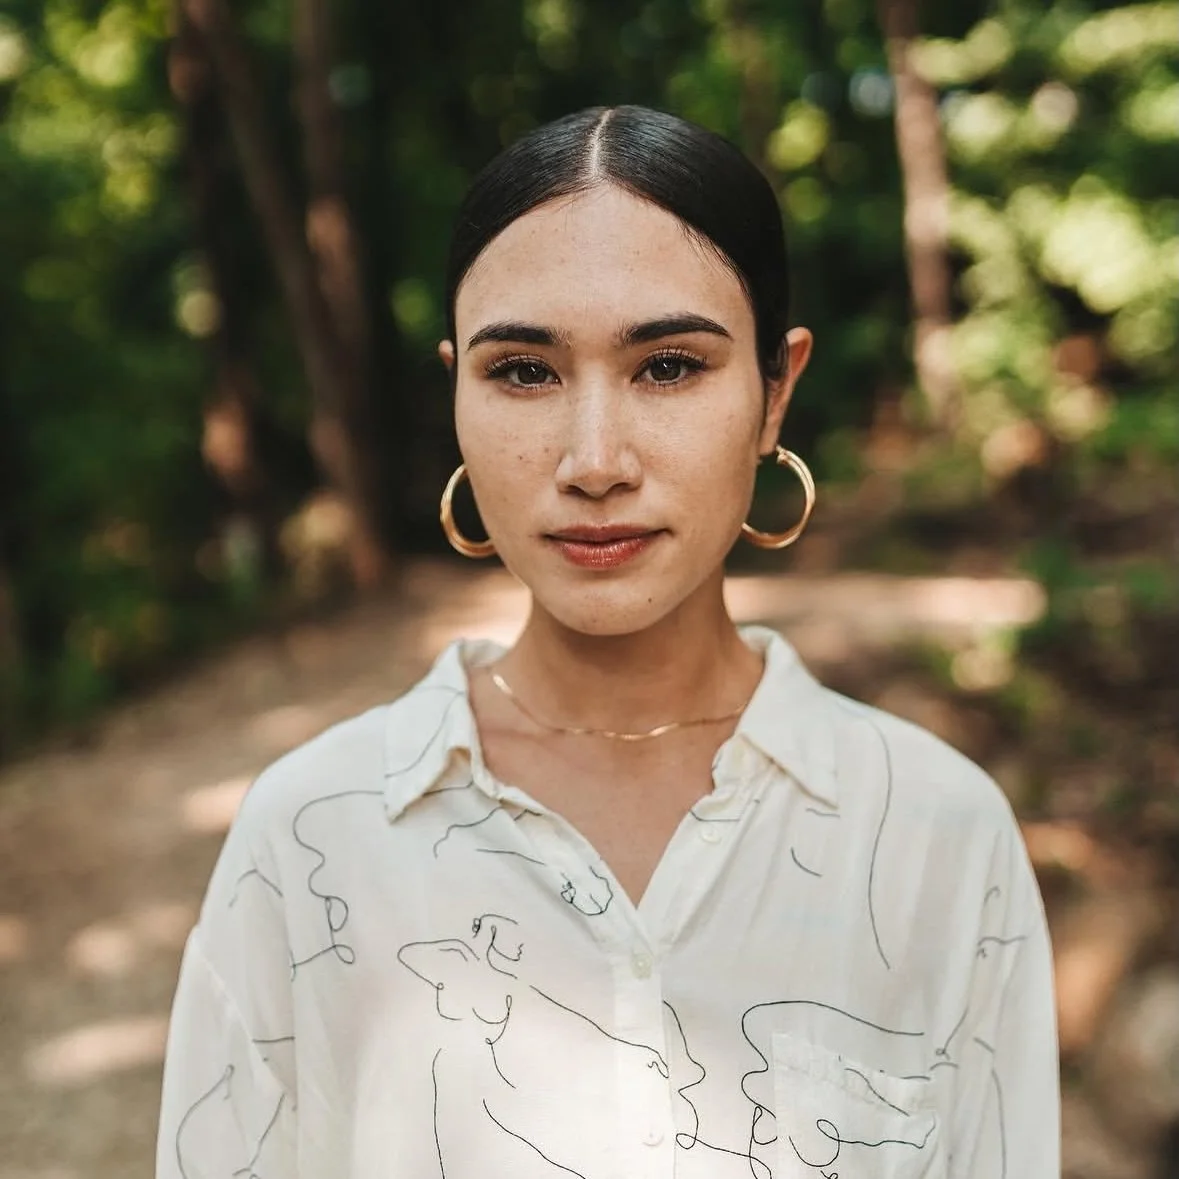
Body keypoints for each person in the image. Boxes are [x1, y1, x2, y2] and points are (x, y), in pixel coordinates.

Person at [156, 105, 1060, 1179]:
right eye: (525, 372)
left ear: (777, 391)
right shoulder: (312, 838)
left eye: (669, 366)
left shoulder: (932, 835)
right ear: (455, 389)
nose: (594, 461)